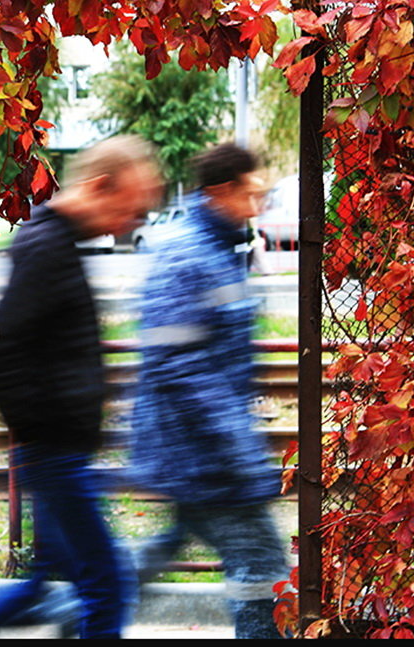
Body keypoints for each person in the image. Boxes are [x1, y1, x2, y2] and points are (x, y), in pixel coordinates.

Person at [0, 135, 162, 639]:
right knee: (107, 587)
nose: (128, 224)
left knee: (43, 583)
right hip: (56, 451)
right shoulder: (49, 246)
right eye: (128, 209)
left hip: (57, 450)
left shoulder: (58, 242)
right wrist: (40, 431)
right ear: (100, 186)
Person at [127, 143, 289, 639]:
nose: (258, 203)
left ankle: (85, 606)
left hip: (198, 450)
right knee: (262, 564)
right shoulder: (188, 253)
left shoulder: (219, 245)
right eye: (251, 192)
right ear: (222, 191)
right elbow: (182, 367)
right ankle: (88, 600)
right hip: (200, 454)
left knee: (166, 551)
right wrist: (241, 450)